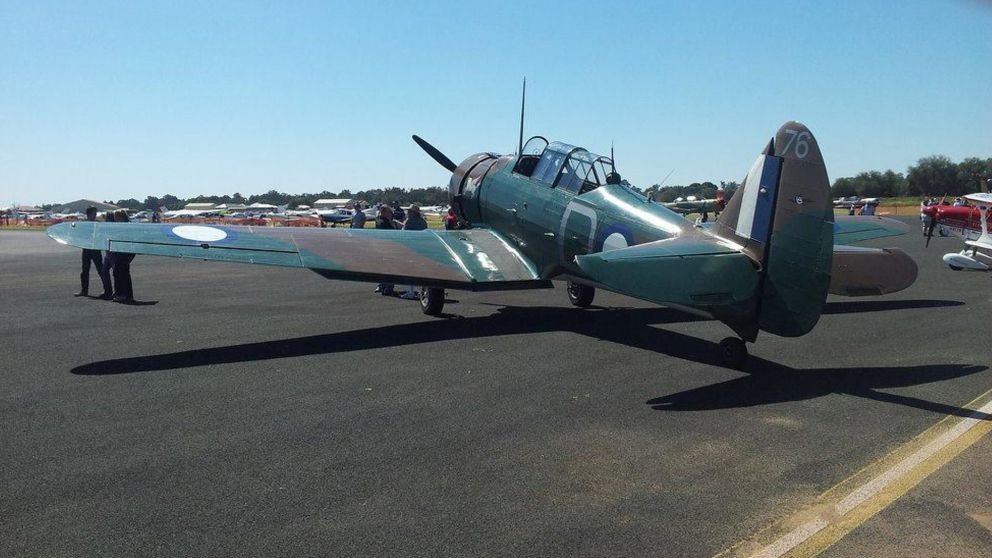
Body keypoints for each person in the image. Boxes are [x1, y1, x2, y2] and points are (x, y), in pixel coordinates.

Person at [75, 206, 110, 297]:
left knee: (101, 270)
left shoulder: (98, 224)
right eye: (94, 213)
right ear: (89, 214)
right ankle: (84, 290)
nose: (95, 215)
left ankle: (108, 290)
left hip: (95, 249)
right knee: (85, 270)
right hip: (86, 248)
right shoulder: (84, 224)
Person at [400, 206, 429, 299]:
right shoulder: (423, 221)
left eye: (409, 211)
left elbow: (404, 233)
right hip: (421, 247)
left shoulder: (409, 221)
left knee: (409, 270)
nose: (407, 212)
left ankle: (411, 292)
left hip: (410, 247)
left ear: (412, 212)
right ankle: (422, 291)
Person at [111, 210, 135, 303]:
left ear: (120, 217)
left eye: (116, 217)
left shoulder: (123, 226)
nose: (114, 219)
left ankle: (120, 294)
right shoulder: (128, 225)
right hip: (126, 252)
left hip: (123, 251)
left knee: (118, 272)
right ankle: (128, 295)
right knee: (125, 274)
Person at [374, 206, 396, 296]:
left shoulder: (379, 220)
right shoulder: (384, 221)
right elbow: (393, 232)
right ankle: (386, 286)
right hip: (385, 246)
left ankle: (385, 286)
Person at [98, 211, 117, 300]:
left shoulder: (113, 227)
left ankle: (116, 292)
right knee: (104, 272)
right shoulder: (106, 226)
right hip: (108, 254)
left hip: (113, 254)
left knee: (115, 273)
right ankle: (108, 291)